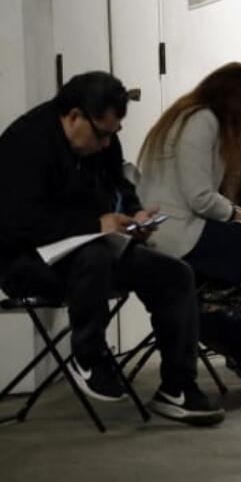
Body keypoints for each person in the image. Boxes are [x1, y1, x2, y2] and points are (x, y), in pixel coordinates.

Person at [0, 73, 224, 426]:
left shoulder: (102, 142)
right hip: (25, 260)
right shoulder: (23, 144)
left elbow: (118, 185)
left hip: (92, 254)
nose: (106, 144)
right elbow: (18, 223)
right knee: (95, 256)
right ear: (74, 116)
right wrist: (95, 225)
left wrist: (134, 214)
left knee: (174, 274)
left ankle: (177, 387)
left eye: (113, 134)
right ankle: (88, 355)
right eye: (102, 134)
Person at [138, 63, 241, 380]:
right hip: (176, 235)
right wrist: (240, 214)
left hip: (179, 227)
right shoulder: (202, 121)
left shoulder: (190, 116)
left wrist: (236, 213)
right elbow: (200, 196)